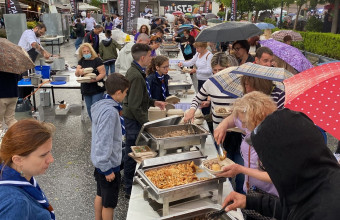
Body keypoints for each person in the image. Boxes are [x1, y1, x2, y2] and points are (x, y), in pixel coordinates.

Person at [223, 108, 340, 220]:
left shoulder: (327, 212)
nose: (263, 165)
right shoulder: (311, 181)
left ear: (285, 161)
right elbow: (291, 208)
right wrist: (248, 201)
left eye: (265, 162)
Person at [183, 53, 244, 193]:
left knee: (241, 169)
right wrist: (192, 110)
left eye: (221, 69)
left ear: (229, 67)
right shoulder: (211, 82)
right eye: (214, 70)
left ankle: (242, 197)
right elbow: (197, 99)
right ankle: (227, 195)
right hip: (219, 132)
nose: (217, 73)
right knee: (223, 167)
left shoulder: (240, 82)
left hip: (240, 132)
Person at [122, 44, 166, 198]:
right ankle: (128, 186)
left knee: (134, 149)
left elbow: (142, 98)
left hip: (134, 117)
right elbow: (134, 105)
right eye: (149, 56)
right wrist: (147, 123)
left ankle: (130, 180)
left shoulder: (137, 72)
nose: (151, 58)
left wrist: (154, 102)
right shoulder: (135, 75)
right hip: (133, 120)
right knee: (133, 151)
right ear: (142, 58)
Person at [91, 74, 129, 220]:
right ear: (118, 92)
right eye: (125, 92)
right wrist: (107, 168)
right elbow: (103, 141)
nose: (126, 96)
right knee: (109, 204)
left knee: (100, 194)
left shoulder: (102, 104)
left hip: (99, 162)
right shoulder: (110, 113)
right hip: (108, 165)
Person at [0, 119, 55, 219]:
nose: (51, 159)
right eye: (43, 155)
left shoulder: (14, 172)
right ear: (18, 160)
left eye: (49, 152)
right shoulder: (15, 204)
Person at [75, 43, 106, 121]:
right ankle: (93, 124)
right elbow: (76, 74)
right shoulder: (81, 61)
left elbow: (103, 73)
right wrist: (79, 71)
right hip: (86, 88)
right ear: (81, 53)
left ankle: (98, 124)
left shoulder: (97, 60)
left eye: (87, 51)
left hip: (97, 88)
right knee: (89, 107)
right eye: (84, 51)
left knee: (95, 107)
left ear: (91, 51)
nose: (86, 53)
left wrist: (94, 79)